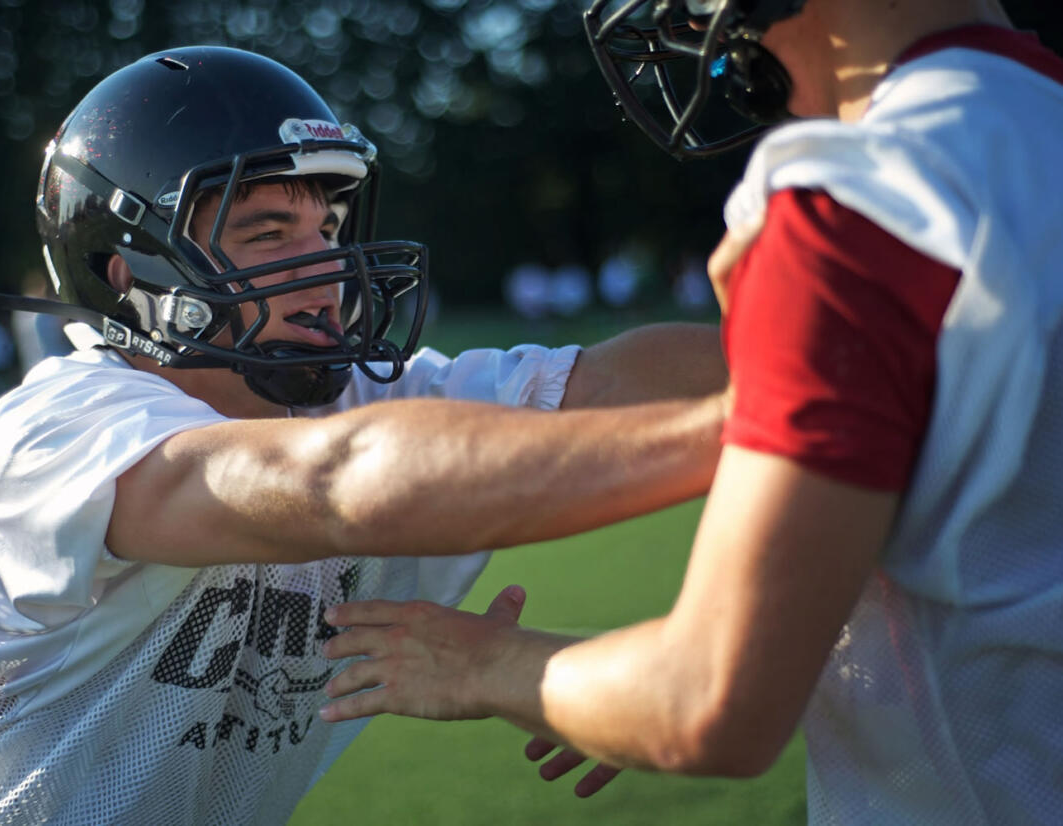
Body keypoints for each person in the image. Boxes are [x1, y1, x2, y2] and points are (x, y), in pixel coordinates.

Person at [0, 46, 727, 825]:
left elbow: (611, 384)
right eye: (270, 233)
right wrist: (786, 428)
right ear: (132, 272)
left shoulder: (355, 398)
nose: (330, 269)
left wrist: (848, 347)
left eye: (329, 228)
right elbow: (335, 487)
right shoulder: (65, 430)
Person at [319, 1, 1063, 822]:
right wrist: (619, 676)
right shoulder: (1031, 123)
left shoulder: (869, 199)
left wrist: (480, 661)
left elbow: (708, 701)